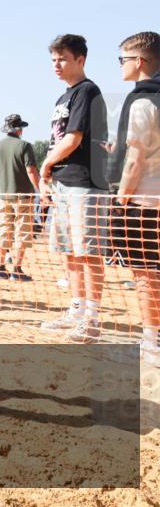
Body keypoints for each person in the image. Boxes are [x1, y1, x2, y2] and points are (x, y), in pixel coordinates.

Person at [39, 34, 110, 343]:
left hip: (85, 182)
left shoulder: (87, 91)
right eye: (53, 60)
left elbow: (73, 138)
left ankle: (92, 318)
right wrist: (48, 175)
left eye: (63, 59)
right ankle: (77, 309)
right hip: (63, 181)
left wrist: (45, 164)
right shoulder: (62, 98)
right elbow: (58, 140)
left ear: (80, 60)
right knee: (68, 250)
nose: (56, 65)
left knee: (88, 251)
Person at [107, 31, 160, 364]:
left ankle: (152, 340)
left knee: (145, 273)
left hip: (144, 201)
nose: (120, 65)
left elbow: (135, 160)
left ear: (139, 62)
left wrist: (121, 199)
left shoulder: (141, 102)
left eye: (122, 59)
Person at [0, 114, 40, 280]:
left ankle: (1, 268)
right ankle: (17, 270)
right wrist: (42, 190)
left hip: (3, 196)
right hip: (23, 195)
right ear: (19, 129)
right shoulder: (25, 146)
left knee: (4, 231)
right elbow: (31, 170)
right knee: (22, 232)